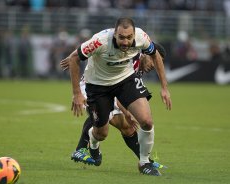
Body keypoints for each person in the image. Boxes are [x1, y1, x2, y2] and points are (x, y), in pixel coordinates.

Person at [61, 17, 172, 176]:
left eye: (129, 37)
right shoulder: (101, 41)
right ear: (115, 35)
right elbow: (75, 57)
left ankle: (145, 162)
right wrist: (76, 93)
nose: (126, 42)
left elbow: (155, 55)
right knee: (102, 132)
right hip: (96, 85)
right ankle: (88, 145)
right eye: (121, 37)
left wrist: (164, 88)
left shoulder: (141, 40)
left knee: (143, 122)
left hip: (123, 81)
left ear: (134, 35)